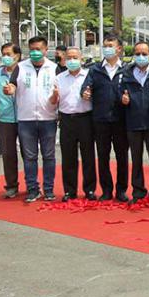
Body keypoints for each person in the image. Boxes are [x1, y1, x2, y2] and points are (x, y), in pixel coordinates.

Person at [4, 36, 59, 202]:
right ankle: (32, 189)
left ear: (45, 49)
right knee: (29, 157)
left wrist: (56, 97)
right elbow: (13, 84)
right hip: (26, 119)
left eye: (38, 49)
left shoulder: (54, 68)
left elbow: (58, 93)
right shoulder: (20, 68)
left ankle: (48, 189)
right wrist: (9, 89)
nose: (35, 52)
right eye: (32, 49)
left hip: (48, 118)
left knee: (49, 156)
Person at [81, 34, 129, 202]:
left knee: (122, 156)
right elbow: (85, 88)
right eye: (105, 45)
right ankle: (106, 190)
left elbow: (133, 92)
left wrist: (127, 100)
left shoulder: (126, 69)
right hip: (100, 120)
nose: (107, 48)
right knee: (103, 156)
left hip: (121, 120)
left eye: (111, 45)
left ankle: (121, 190)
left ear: (119, 49)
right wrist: (86, 93)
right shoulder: (95, 69)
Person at [120, 41, 149, 205]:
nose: (140, 57)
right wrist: (122, 99)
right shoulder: (126, 74)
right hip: (133, 123)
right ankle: (138, 191)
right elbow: (118, 94)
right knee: (136, 159)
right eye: (137, 53)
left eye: (144, 54)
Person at [56, 47, 96, 201]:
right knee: (68, 157)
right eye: (69, 57)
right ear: (64, 59)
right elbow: (55, 99)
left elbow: (96, 95)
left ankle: (90, 190)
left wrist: (90, 95)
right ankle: (69, 191)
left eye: (75, 57)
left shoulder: (89, 76)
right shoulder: (59, 78)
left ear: (81, 59)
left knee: (88, 156)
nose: (72, 60)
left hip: (85, 118)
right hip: (66, 120)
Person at [0, 43, 21, 198]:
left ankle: (33, 185)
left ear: (17, 55)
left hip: (25, 118)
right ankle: (11, 185)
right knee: (8, 154)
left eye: (9, 54)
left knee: (29, 154)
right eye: (4, 54)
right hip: (5, 119)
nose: (6, 57)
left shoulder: (24, 71)